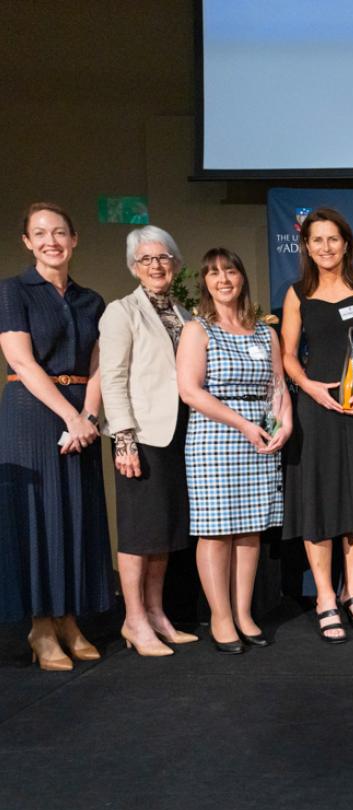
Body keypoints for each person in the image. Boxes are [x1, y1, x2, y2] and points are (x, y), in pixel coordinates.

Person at [0, 203, 112, 670]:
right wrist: (71, 416)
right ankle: (41, 627)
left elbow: (100, 366)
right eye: (41, 233)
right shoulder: (13, 291)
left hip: (80, 416)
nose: (52, 241)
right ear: (27, 242)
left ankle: (69, 619)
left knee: (76, 515)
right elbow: (22, 362)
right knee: (38, 518)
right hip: (32, 414)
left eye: (60, 232)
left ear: (75, 238)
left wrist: (87, 415)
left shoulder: (92, 300)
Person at [177, 249, 291, 654]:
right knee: (216, 531)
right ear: (205, 283)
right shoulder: (197, 330)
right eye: (212, 273)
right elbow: (190, 391)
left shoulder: (264, 331)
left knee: (250, 530)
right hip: (217, 436)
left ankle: (244, 613)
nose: (222, 279)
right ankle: (221, 618)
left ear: (242, 277)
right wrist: (243, 424)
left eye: (229, 271)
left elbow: (277, 385)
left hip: (261, 437)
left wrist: (284, 422)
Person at [280, 208, 353, 645]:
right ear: (306, 246)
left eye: (333, 239)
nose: (325, 247)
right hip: (316, 412)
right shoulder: (297, 293)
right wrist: (308, 387)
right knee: (320, 500)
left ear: (346, 244)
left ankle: (352, 593)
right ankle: (324, 598)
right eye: (316, 240)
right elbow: (285, 354)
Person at [99, 225, 198, 656]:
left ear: (175, 264)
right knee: (140, 533)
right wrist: (123, 439)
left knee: (165, 531)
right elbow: (113, 377)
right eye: (146, 259)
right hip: (141, 435)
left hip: (182, 433)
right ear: (133, 267)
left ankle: (157, 614)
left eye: (163, 258)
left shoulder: (186, 312)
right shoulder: (122, 312)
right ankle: (134, 619)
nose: (156, 266)